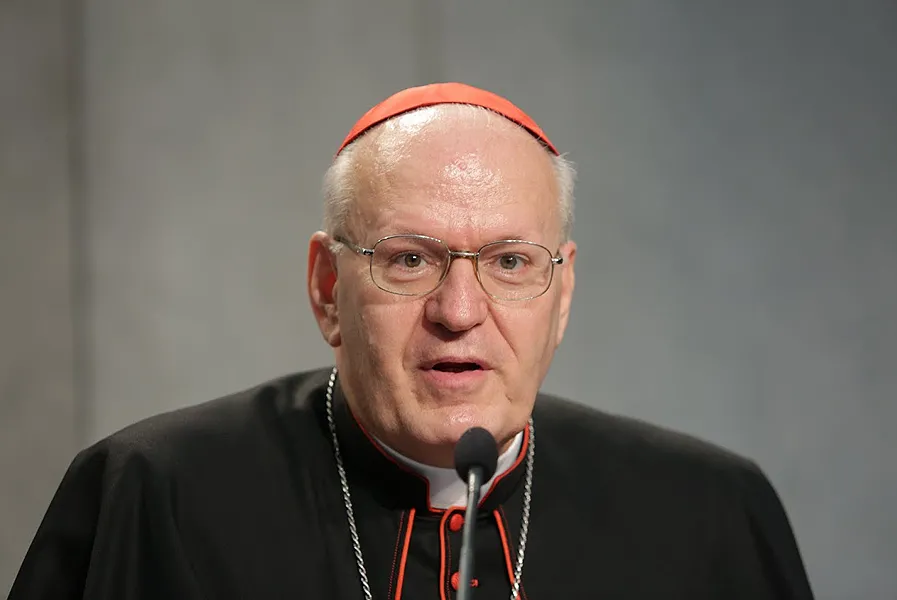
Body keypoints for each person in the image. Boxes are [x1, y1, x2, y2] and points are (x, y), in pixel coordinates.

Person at [9, 83, 816, 599]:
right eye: (409, 259)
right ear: (328, 288)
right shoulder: (156, 495)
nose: (459, 309)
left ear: (561, 294)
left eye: (508, 261)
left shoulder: (709, 513)